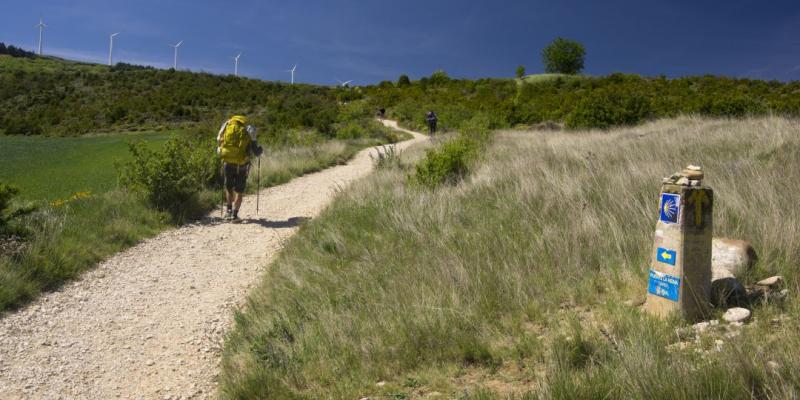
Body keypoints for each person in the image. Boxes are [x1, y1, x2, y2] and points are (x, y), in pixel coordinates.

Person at [217, 115, 263, 222]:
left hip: (227, 162)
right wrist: (260, 149)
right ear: (243, 122)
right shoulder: (248, 131)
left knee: (229, 187)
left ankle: (228, 212)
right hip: (241, 165)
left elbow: (219, 142)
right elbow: (256, 152)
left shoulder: (226, 127)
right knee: (239, 191)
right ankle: (234, 215)